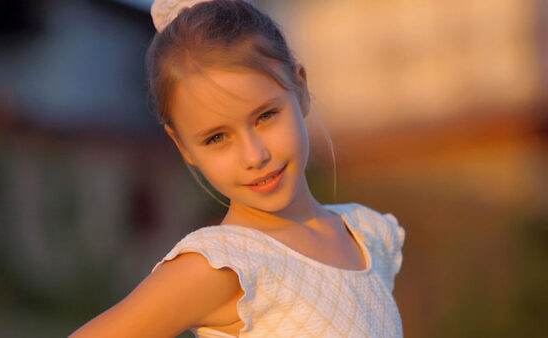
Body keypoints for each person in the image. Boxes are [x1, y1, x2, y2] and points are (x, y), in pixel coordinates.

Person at [70, 0, 405, 337]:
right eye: (217, 138)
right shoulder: (223, 264)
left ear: (300, 88)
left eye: (265, 116)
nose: (254, 155)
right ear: (183, 145)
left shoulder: (365, 236)